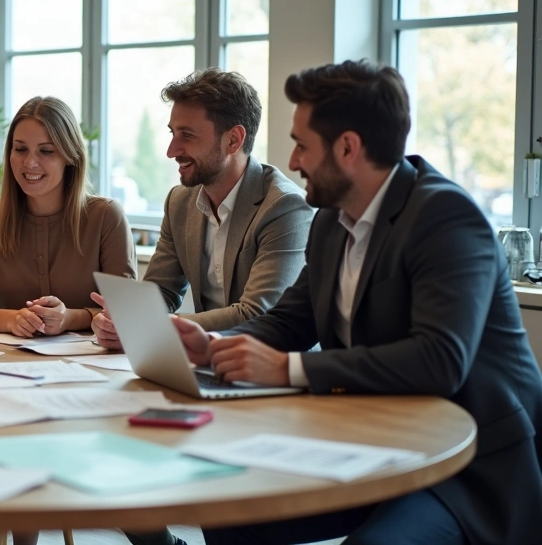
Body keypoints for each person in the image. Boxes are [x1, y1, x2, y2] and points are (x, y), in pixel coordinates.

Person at [173, 61, 541, 545]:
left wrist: (288, 369)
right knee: (228, 507)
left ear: (348, 147)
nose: (294, 159)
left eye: (303, 144)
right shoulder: (331, 220)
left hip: (466, 467)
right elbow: (291, 319)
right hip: (376, 442)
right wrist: (215, 343)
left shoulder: (446, 217)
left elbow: (439, 360)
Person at [93, 69, 312, 545]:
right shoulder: (180, 201)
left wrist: (158, 327)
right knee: (111, 446)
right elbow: (160, 292)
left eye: (186, 136)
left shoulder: (284, 208)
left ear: (234, 139)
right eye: (172, 134)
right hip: (197, 371)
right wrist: (122, 321)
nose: (172, 150)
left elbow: (260, 313)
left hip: (262, 381)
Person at [0, 96, 136, 339]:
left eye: (46, 151)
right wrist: (13, 319)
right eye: (20, 149)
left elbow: (126, 311)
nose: (29, 162)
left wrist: (69, 319)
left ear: (70, 156)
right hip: (7, 363)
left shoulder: (107, 217)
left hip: (93, 365)